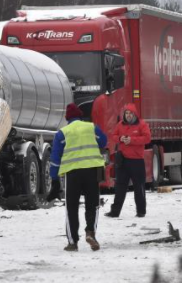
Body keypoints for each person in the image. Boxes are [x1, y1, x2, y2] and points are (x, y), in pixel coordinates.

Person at [47, 103, 107, 252]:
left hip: (72, 174)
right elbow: (104, 141)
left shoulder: (62, 133)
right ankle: (90, 232)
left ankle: (73, 242)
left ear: (67, 118)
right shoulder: (91, 127)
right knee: (92, 204)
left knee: (71, 207)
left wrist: (54, 179)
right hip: (92, 170)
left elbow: (55, 159)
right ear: (80, 115)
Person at [105, 103, 151, 218]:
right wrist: (120, 138)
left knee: (138, 187)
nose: (128, 115)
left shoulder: (142, 124)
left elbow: (147, 138)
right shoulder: (120, 124)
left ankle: (141, 211)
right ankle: (115, 212)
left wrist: (131, 140)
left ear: (135, 114)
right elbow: (113, 135)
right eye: (126, 113)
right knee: (120, 187)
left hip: (137, 161)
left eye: (130, 113)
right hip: (123, 161)